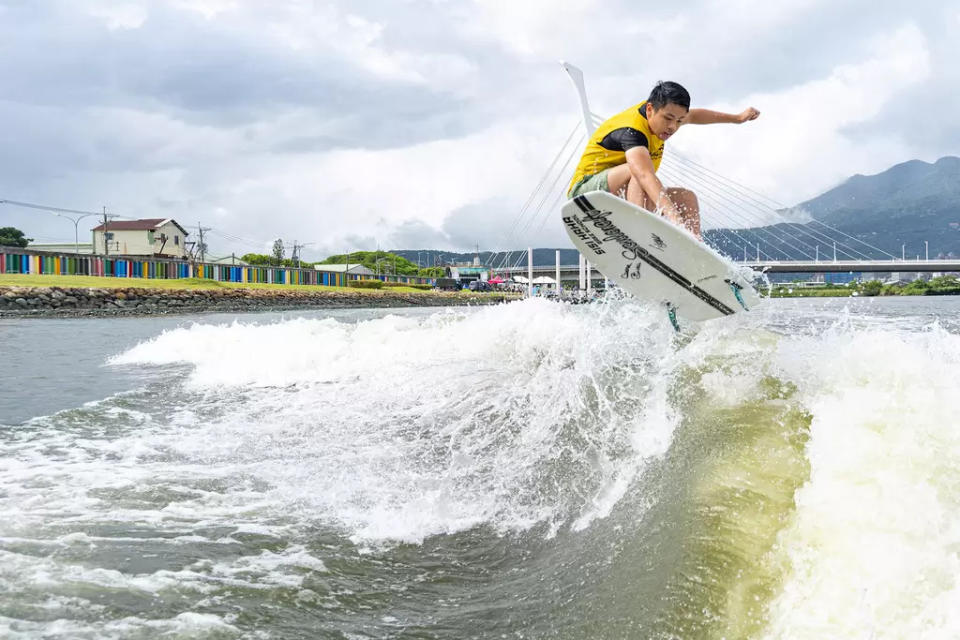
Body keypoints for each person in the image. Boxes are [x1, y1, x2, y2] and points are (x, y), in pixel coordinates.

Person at [567, 81, 759, 239]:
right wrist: (676, 221)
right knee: (639, 171)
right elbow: (643, 175)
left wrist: (737, 118)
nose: (672, 127)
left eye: (678, 121)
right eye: (668, 119)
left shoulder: (669, 115)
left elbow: (696, 115)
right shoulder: (632, 131)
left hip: (621, 196)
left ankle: (694, 250)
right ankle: (636, 234)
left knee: (687, 198)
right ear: (650, 109)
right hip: (586, 194)